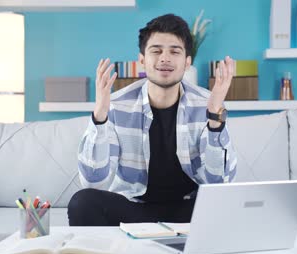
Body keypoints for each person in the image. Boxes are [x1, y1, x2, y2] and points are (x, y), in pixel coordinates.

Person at [68, 13, 237, 226]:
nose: (164, 58)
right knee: (82, 202)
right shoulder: (117, 105)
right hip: (135, 209)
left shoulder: (207, 104)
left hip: (188, 210)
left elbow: (219, 182)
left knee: (225, 204)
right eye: (156, 51)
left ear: (187, 62)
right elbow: (94, 182)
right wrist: (100, 118)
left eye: (174, 51)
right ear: (142, 60)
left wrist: (214, 118)